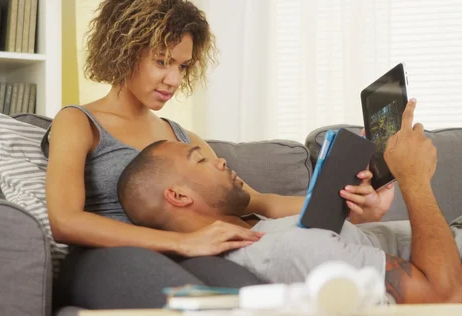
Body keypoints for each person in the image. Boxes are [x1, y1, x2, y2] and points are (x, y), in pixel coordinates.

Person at [44, 0, 390, 309]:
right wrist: (183, 242)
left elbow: (260, 203)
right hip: (107, 256)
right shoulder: (79, 122)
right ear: (125, 49)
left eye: (182, 66)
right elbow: (65, 221)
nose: (173, 79)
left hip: (189, 251)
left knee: (246, 296)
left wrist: (347, 200)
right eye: (162, 62)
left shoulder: (181, 137)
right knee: (180, 297)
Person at [118, 97, 462, 304]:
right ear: (177, 196)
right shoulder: (282, 251)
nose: (220, 160)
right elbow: (445, 296)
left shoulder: (256, 233)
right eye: (201, 159)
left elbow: (340, 252)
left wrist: (367, 218)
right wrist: (415, 180)